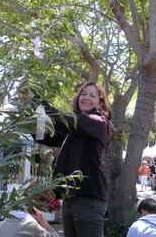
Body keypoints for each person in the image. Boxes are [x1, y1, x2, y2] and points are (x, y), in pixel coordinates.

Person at [35, 82, 112, 237]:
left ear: (100, 102)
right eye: (83, 94)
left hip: (89, 198)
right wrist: (33, 114)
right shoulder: (73, 128)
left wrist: (37, 100)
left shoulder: (98, 122)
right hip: (70, 198)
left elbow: (63, 119)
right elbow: (43, 136)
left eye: (92, 95)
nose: (86, 97)